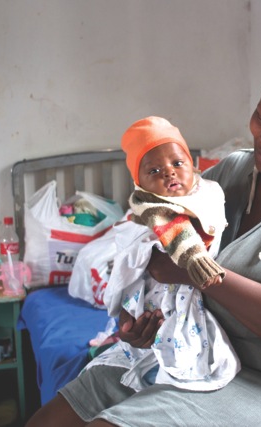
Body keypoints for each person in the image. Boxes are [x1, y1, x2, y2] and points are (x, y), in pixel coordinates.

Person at [26, 35, 261, 427]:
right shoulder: (231, 173)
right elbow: (167, 255)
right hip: (204, 350)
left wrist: (202, 276)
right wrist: (145, 322)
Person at [86, 116, 239, 392]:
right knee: (140, 319)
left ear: (192, 165)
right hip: (153, 297)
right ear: (140, 184)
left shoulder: (208, 194)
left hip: (197, 295)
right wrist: (125, 322)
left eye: (177, 164)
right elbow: (130, 267)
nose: (169, 173)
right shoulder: (147, 210)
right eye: (154, 170)